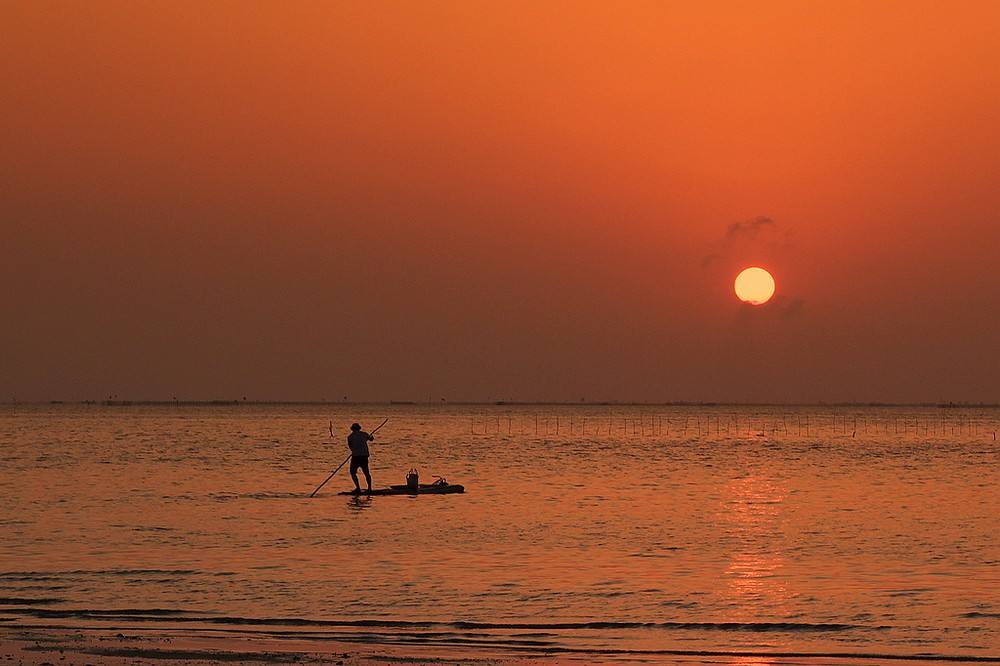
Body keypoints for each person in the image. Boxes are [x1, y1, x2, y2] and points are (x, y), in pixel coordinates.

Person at [347, 422, 374, 494]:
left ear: (352, 429)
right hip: (364, 456)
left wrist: (355, 451)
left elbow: (351, 447)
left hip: (356, 456)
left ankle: (358, 488)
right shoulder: (364, 434)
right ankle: (369, 488)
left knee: (353, 473)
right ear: (359, 428)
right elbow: (371, 439)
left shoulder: (350, 437)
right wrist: (371, 436)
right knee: (366, 473)